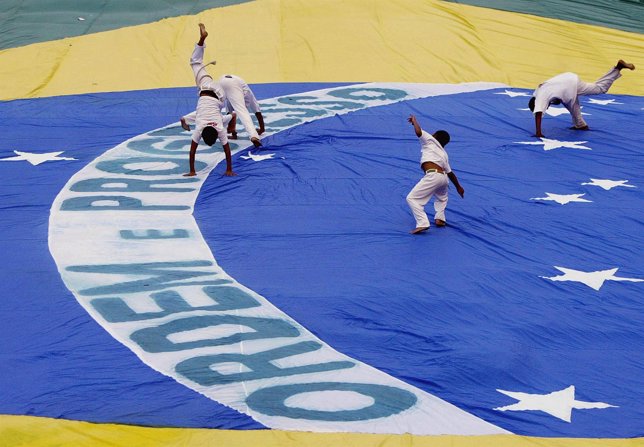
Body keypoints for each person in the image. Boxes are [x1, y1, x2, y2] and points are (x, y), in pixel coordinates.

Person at [528, 60, 635, 137]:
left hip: (567, 87)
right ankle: (617, 69)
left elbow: (538, 113)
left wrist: (538, 133)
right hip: (569, 78)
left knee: (572, 105)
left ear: (536, 104)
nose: (545, 109)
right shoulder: (538, 92)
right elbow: (553, 98)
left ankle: (581, 125)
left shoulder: (540, 99)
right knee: (597, 88)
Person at [183, 23, 235, 177]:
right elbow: (193, 151)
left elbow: (226, 150)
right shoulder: (201, 128)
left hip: (219, 96)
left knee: (227, 116)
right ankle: (201, 39)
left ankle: (233, 118)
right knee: (194, 63)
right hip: (207, 91)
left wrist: (193, 171)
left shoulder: (218, 128)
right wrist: (229, 170)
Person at [406, 115, 464, 235]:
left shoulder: (430, 140)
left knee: (412, 199)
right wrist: (458, 187)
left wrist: (414, 121)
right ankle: (440, 219)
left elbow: (418, 132)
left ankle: (422, 223)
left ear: (435, 136)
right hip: (443, 178)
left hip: (433, 176)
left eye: (433, 133)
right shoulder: (444, 153)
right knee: (442, 198)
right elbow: (450, 173)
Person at [219, 74, 265, 148]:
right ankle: (254, 136)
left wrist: (234, 134)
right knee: (242, 112)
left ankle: (209, 127)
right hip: (231, 82)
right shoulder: (248, 94)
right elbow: (258, 112)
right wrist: (262, 129)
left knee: (216, 107)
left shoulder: (231, 98)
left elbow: (230, 115)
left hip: (221, 81)